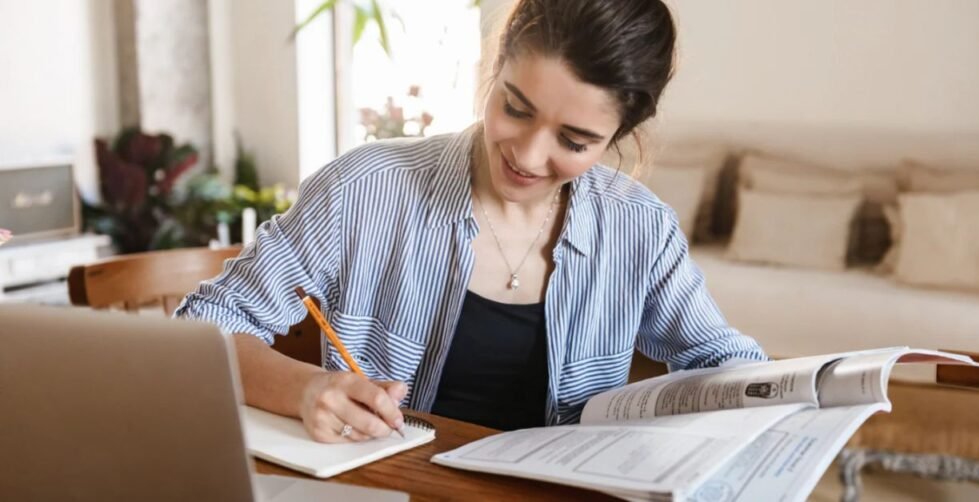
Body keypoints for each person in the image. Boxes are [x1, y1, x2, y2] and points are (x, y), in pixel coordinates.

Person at [175, 0, 766, 442]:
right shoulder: (366, 190)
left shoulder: (640, 229)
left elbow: (722, 361)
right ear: (496, 62)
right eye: (515, 107)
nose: (528, 156)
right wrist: (308, 389)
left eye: (575, 139)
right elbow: (203, 330)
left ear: (620, 136)